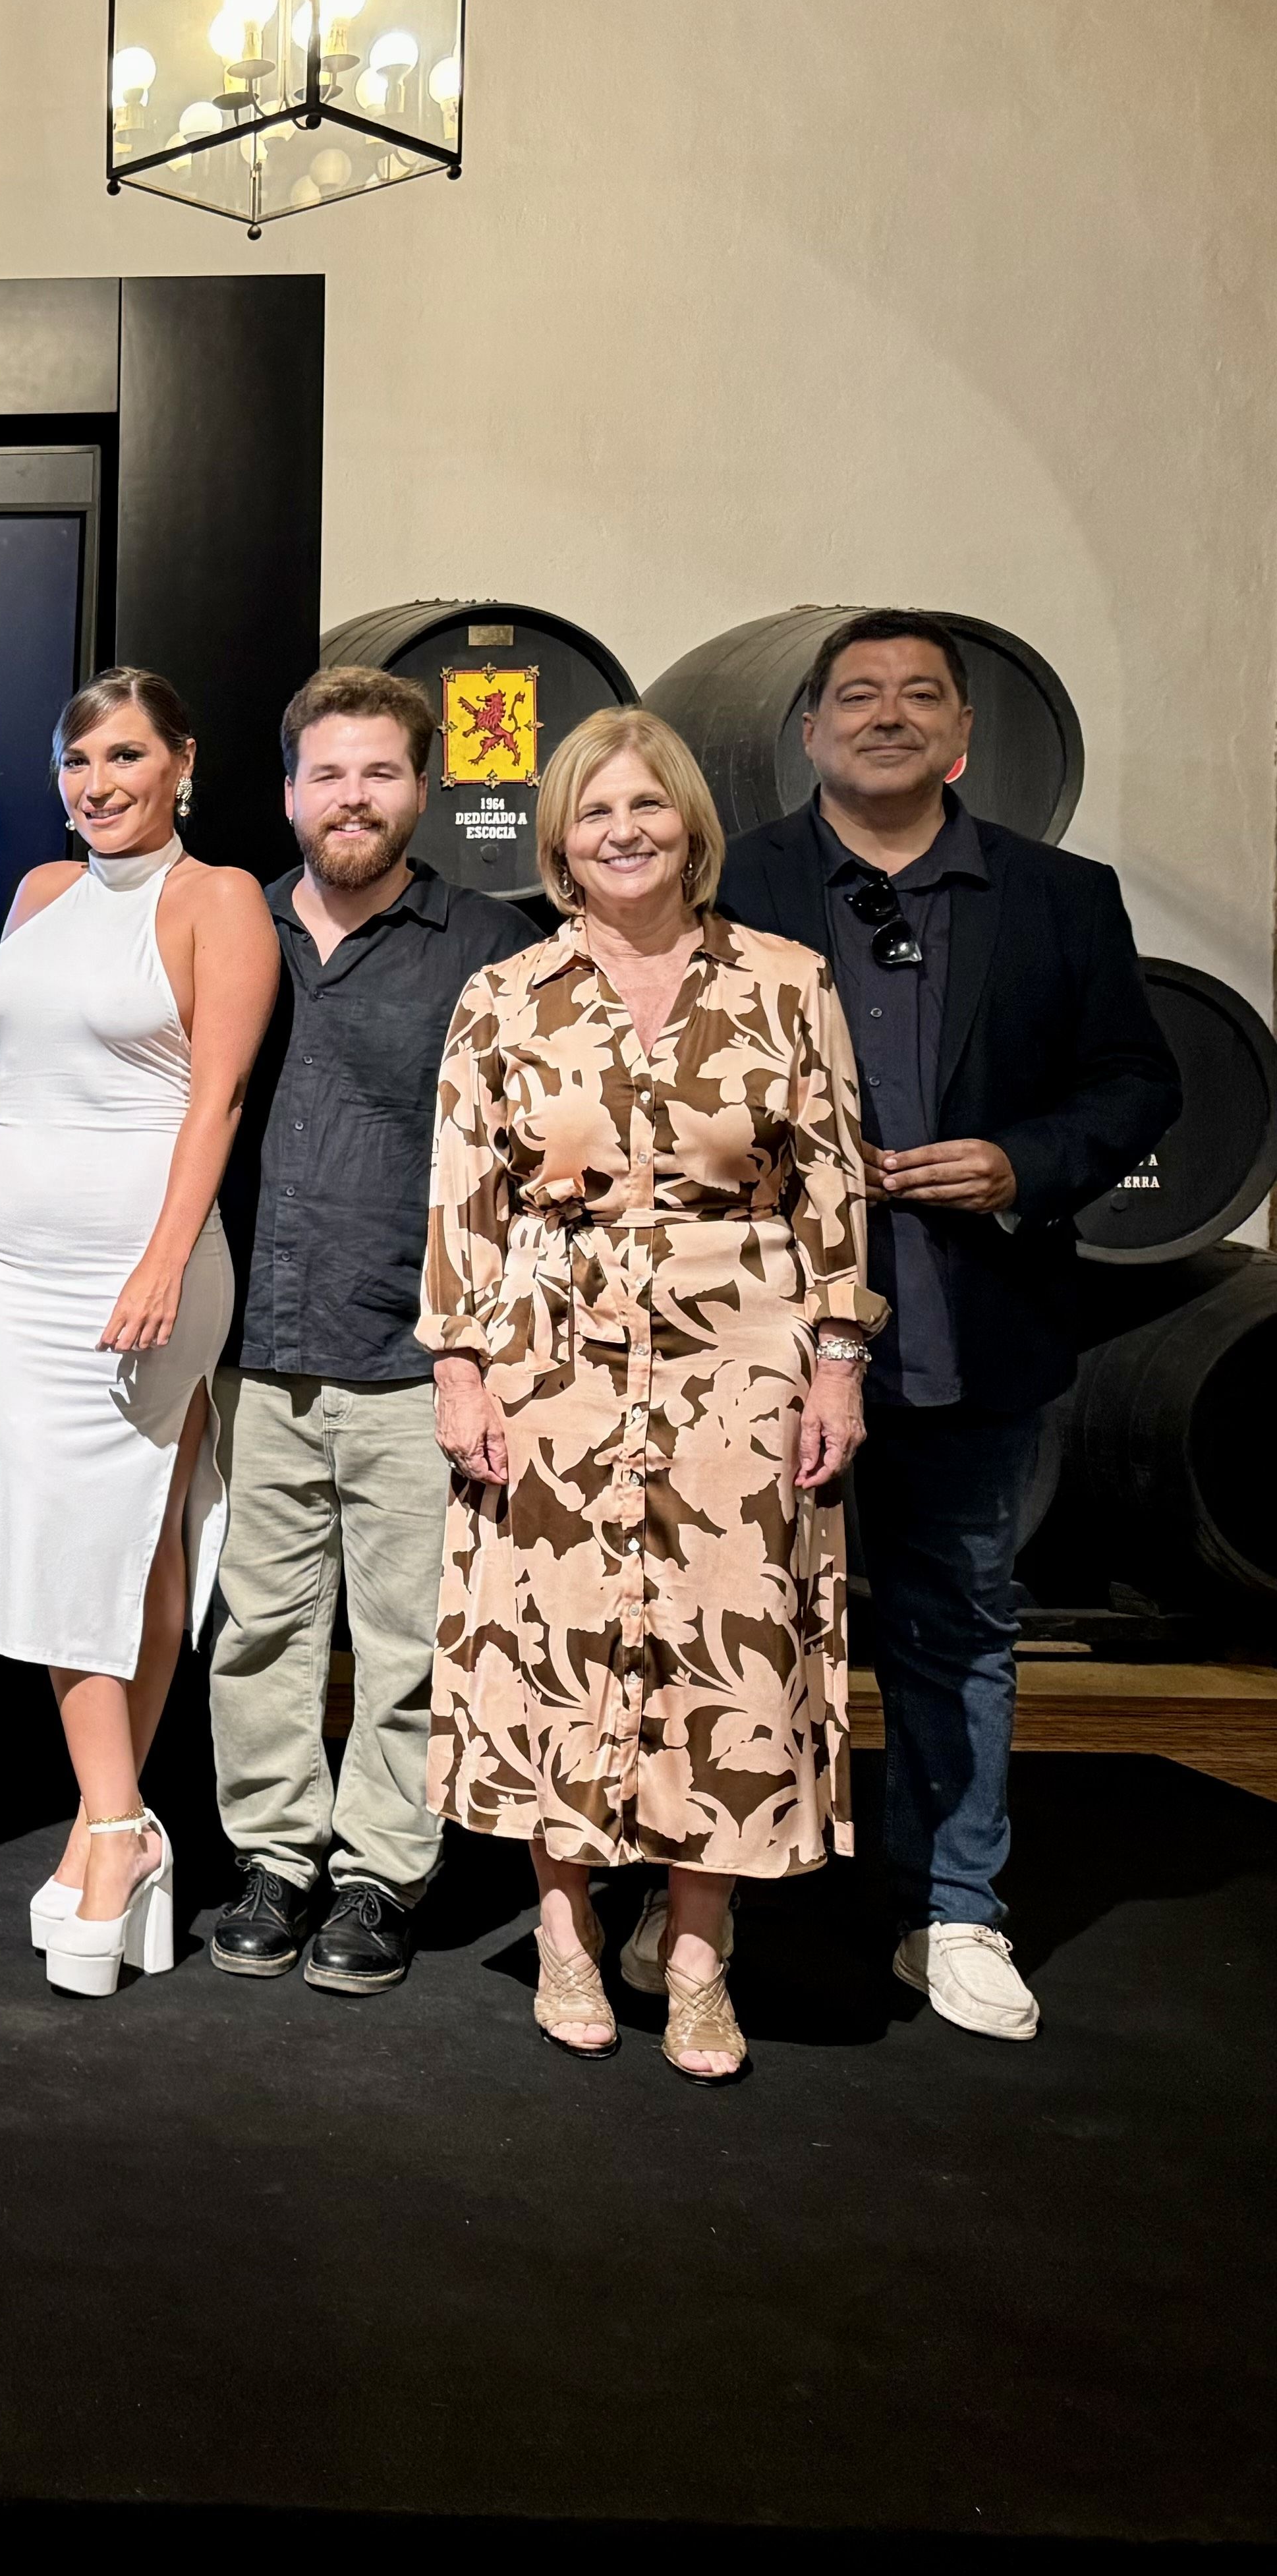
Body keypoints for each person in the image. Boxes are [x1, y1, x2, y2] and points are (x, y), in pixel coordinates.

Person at [717, 612, 1178, 2044]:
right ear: (808, 729)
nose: (887, 714)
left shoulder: (1059, 896)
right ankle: (706, 1904)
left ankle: (956, 1908)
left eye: (921, 695)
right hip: (757, 1341)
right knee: (728, 1621)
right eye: (857, 694)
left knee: (958, 1625)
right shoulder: (735, 879)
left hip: (968, 1326)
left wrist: (1024, 1164)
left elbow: (1135, 1082)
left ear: (964, 734)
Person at [423, 707, 881, 2084]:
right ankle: (563, 1929)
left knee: (718, 1646)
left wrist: (840, 1363)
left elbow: (834, 1191)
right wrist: (458, 1363)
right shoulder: (507, 996)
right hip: (549, 1365)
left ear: (692, 823)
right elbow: (463, 1198)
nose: (624, 831)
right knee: (558, 1637)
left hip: (741, 1369)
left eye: (648, 807)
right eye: (594, 811)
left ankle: (694, 1951)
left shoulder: (789, 983)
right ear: (558, 841)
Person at [202, 668, 530, 1997]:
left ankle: (379, 1876)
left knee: (405, 1640)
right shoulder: (229, 927)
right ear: (289, 792)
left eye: (379, 773)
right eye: (327, 774)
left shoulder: (495, 944)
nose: (352, 798)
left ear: (423, 789)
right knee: (263, 1632)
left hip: (414, 1352)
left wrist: (485, 1354)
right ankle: (276, 1861)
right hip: (253, 1351)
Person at [0, 668, 279, 1997]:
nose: (100, 783)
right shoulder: (38, 894)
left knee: (114, 1541)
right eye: (79, 760)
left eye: (126, 756)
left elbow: (217, 1104)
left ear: (183, 764)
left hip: (139, 1274)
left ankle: (108, 1829)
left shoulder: (220, 899)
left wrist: (161, 1259)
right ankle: (123, 1820)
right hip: (13, 1279)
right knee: (101, 1550)